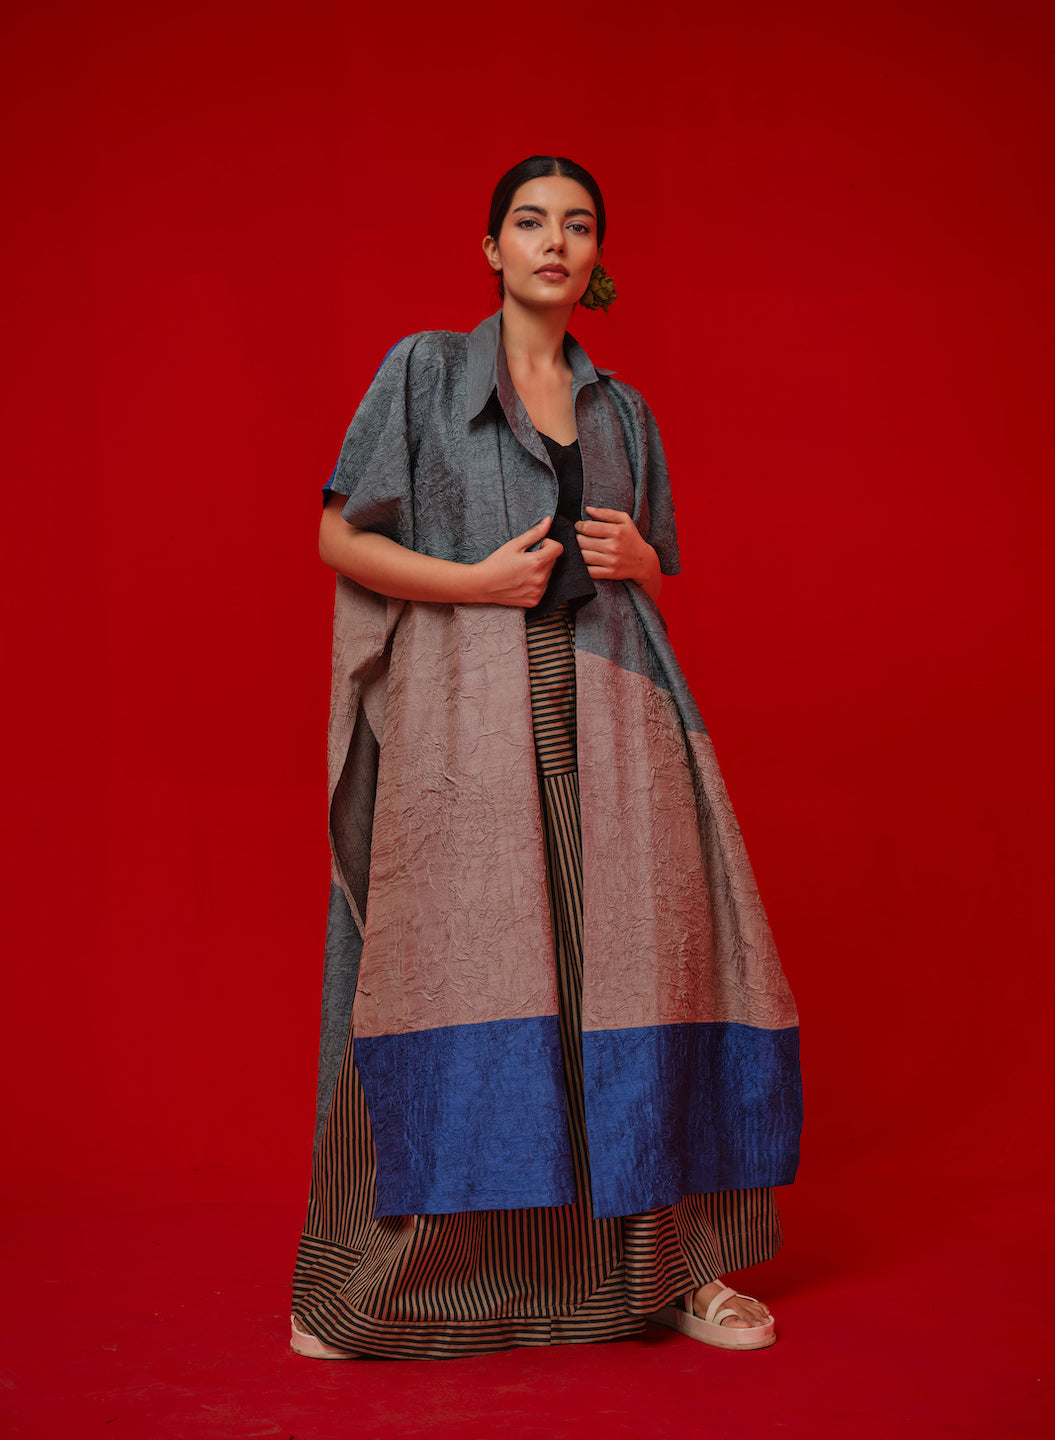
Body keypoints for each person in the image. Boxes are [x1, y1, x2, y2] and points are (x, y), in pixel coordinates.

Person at [290, 155, 803, 1360]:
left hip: (616, 727)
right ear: (493, 248)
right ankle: (381, 1288)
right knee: (456, 979)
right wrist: (473, 584)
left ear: (596, 257)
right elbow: (336, 537)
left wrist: (644, 562)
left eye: (577, 225)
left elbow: (648, 570)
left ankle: (672, 1269)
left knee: (636, 985)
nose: (554, 242)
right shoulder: (424, 371)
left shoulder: (623, 411)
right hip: (468, 729)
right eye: (530, 222)